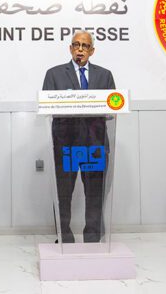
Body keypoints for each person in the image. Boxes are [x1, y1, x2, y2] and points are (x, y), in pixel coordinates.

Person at [42, 30, 116, 243]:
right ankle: (64, 237)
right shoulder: (54, 74)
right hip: (66, 145)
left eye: (85, 46)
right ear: (70, 49)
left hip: (95, 145)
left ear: (92, 51)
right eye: (76, 45)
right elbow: (47, 106)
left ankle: (92, 237)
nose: (80, 49)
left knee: (95, 194)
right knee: (63, 194)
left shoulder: (104, 75)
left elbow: (112, 108)